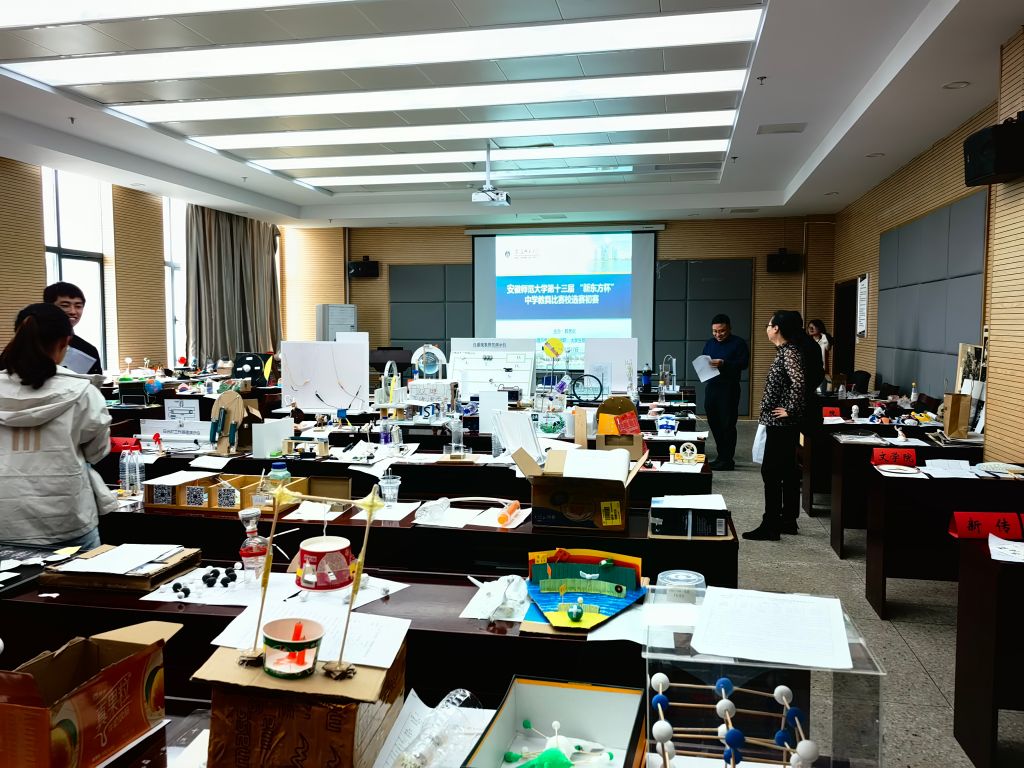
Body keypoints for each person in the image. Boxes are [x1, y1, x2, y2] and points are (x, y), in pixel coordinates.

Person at [0, 303, 112, 550]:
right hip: (65, 517)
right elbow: (97, 452)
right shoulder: (83, 392)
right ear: (65, 342)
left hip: (4, 517)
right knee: (80, 575)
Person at [743, 310, 815, 541]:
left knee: (771, 471)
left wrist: (790, 409)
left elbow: (799, 382)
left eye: (768, 324)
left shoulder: (789, 352)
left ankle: (771, 525)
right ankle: (784, 521)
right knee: (783, 471)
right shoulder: (785, 351)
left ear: (776, 328)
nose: (767, 328)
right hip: (779, 422)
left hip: (782, 423)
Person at [702, 314, 749, 471]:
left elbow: (743, 364)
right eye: (714, 331)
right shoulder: (710, 343)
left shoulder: (738, 343)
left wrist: (724, 363)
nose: (718, 334)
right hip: (712, 386)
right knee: (713, 422)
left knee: (727, 424)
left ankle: (727, 459)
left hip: (729, 388)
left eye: (721, 331)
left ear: (729, 328)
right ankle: (721, 456)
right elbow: (704, 360)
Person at [43, 281, 103, 375]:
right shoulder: (32, 343)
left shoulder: (88, 350)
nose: (73, 312)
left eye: (78, 306)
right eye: (65, 306)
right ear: (48, 307)